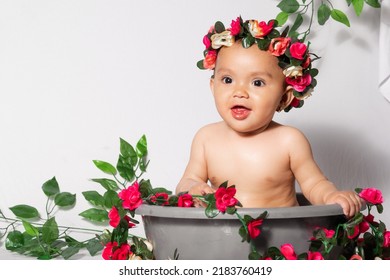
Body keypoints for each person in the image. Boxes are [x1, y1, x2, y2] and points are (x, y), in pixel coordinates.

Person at [175, 16, 362, 217]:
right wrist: (193, 187)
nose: (239, 92)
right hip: (223, 239)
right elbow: (186, 182)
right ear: (213, 87)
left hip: (282, 239)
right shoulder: (206, 139)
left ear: (284, 97)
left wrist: (331, 197)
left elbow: (313, 183)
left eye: (257, 83)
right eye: (228, 80)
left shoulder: (289, 140)